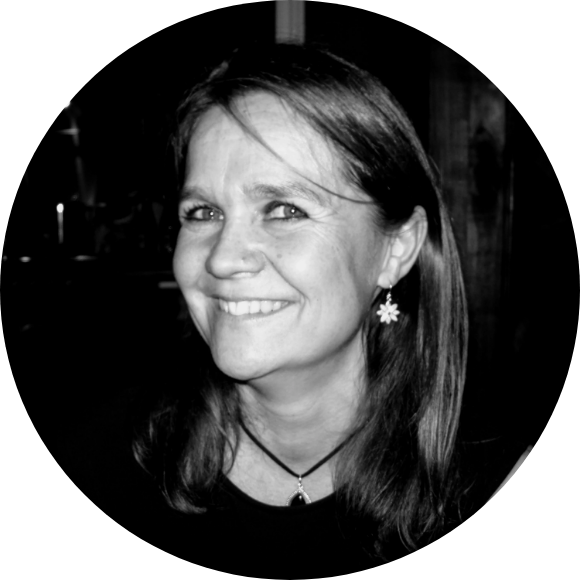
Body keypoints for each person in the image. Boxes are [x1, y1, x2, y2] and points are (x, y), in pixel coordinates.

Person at [50, 42, 532, 570]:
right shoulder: (98, 465)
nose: (222, 259)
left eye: (284, 209)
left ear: (395, 249)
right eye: (203, 212)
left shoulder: (491, 485)